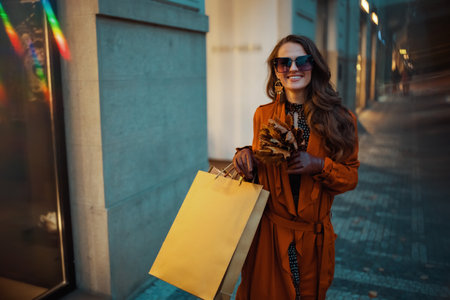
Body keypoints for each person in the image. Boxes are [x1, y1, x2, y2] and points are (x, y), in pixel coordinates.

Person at [233, 35, 359, 300]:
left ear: (315, 65)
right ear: (276, 71)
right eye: (283, 62)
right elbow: (261, 168)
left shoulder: (341, 119)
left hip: (312, 242)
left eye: (302, 60)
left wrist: (319, 165)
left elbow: (350, 177)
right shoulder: (263, 115)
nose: (293, 68)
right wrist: (247, 159)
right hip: (270, 236)